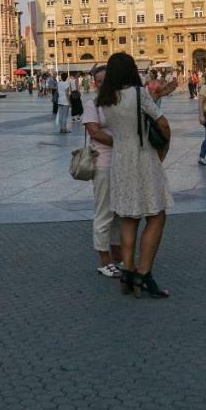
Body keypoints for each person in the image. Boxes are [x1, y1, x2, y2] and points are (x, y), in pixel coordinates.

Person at [97, 52, 172, 298]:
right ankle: (143, 272)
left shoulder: (106, 98)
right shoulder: (139, 95)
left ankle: (127, 273)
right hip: (143, 157)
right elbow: (162, 123)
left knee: (128, 217)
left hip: (120, 159)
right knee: (156, 214)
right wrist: (162, 152)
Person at [83, 63, 123, 278]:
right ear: (95, 84)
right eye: (99, 81)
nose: (102, 85)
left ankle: (118, 257)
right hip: (103, 164)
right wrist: (122, 142)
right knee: (104, 213)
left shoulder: (120, 103)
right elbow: (95, 132)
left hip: (122, 164)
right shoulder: (93, 104)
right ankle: (104, 260)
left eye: (106, 81)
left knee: (118, 213)